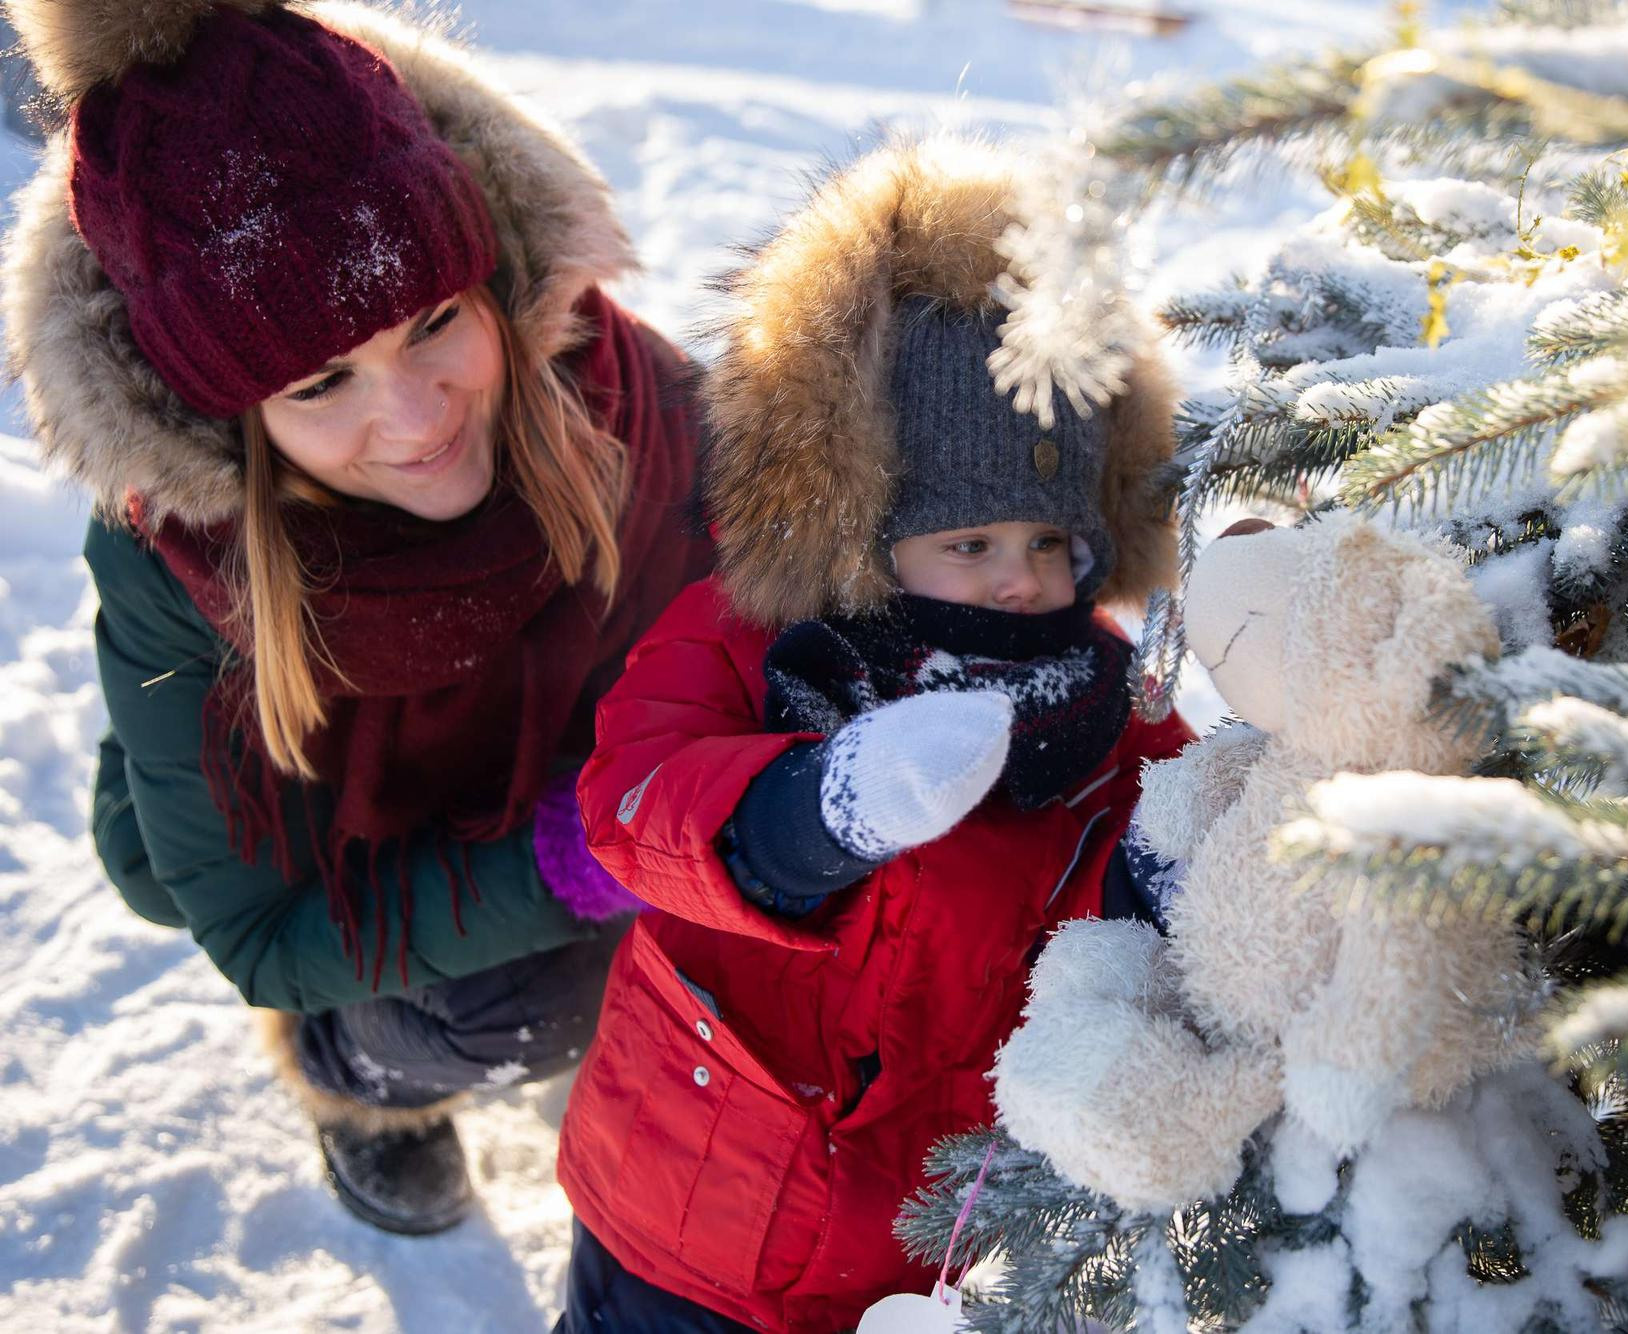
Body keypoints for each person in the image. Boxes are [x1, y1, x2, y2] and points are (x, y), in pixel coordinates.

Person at [0, 0, 711, 1235]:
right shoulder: (179, 561)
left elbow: (786, 578)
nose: (417, 413)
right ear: (233, 420)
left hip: (556, 756)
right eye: (322, 383)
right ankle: (356, 1077)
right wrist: (560, 864)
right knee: (514, 992)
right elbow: (259, 928)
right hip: (337, 832)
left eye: (435, 320)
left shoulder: (619, 386)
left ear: (486, 275)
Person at [555, 139, 1192, 1333]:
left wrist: (1166, 881)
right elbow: (631, 798)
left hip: (927, 1248)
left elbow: (1158, 859)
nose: (1018, 579)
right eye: (970, 542)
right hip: (691, 1196)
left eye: (1050, 544)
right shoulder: (756, 637)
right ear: (867, 525)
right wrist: (809, 815)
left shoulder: (1111, 706)